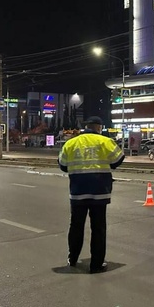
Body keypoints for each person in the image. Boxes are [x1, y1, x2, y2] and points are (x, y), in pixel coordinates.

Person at [58, 116, 125, 273]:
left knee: (76, 226)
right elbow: (118, 160)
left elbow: (63, 166)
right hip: (99, 192)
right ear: (99, 127)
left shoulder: (71, 143)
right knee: (98, 228)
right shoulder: (104, 141)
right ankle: (96, 265)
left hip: (78, 192)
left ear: (86, 126)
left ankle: (72, 258)